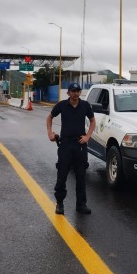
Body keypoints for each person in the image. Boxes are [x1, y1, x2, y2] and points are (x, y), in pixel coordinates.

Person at [46, 83, 96, 215]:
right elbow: (50, 117)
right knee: (62, 175)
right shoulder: (62, 105)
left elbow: (92, 121)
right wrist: (50, 133)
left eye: (78, 91)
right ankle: (60, 203)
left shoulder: (85, 105)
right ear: (68, 93)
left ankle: (81, 204)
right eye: (73, 91)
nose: (76, 93)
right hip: (66, 145)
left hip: (80, 144)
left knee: (81, 176)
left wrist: (88, 136)